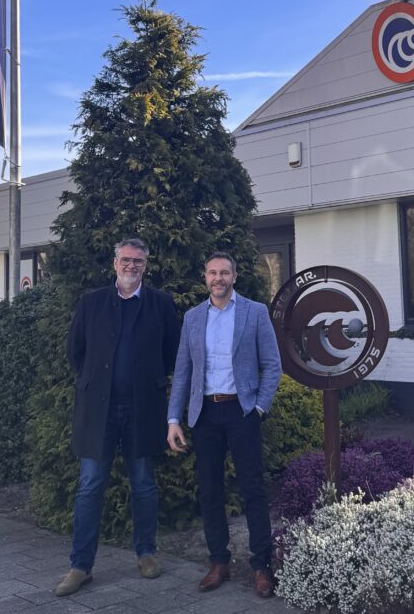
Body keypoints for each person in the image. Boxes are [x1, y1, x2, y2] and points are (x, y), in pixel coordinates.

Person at [55, 238, 181, 597]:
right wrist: (95, 382)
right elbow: (76, 351)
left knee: (143, 484)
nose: (131, 266)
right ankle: (81, 565)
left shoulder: (160, 304)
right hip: (99, 410)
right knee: (90, 486)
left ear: (145, 265)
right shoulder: (91, 303)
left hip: (143, 408)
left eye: (138, 261)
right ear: (115, 263)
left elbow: (172, 353)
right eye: (126, 260)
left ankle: (146, 553)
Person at [167, 251, 282, 598]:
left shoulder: (255, 312)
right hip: (205, 415)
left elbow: (272, 365)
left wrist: (259, 408)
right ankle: (219, 561)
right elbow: (183, 372)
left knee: (253, 489)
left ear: (234, 276)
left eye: (224, 273)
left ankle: (262, 565)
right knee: (210, 490)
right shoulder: (193, 318)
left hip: (242, 411)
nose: (218, 278)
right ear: (205, 277)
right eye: (212, 273)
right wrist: (174, 419)